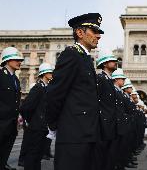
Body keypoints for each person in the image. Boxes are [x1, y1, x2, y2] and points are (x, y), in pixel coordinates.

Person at [46, 13, 103, 170]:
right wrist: (55, 125)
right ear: (80, 33)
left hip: (85, 132)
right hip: (74, 134)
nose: (98, 36)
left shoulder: (84, 57)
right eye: (94, 31)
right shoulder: (71, 54)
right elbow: (55, 93)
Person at [20, 63, 53, 170]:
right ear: (44, 74)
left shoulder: (46, 88)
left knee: (38, 155)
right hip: (36, 127)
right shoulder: (38, 88)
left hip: (42, 127)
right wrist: (32, 121)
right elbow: (26, 107)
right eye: (50, 72)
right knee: (33, 154)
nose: (52, 74)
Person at [0, 47, 23, 170]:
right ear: (7, 60)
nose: (19, 62)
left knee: (5, 152)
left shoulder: (16, 80)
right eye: (16, 59)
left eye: (20, 60)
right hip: (1, 123)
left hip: (11, 124)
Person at [96, 53, 118, 170]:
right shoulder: (100, 78)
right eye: (112, 60)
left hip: (110, 123)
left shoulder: (109, 80)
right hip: (103, 124)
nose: (115, 62)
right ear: (104, 64)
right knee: (101, 157)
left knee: (108, 155)